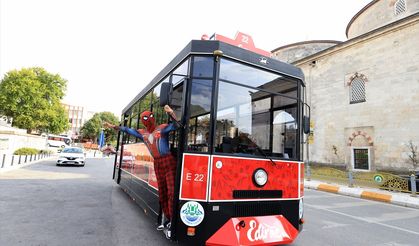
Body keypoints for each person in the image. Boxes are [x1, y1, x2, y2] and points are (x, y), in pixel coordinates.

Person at [104, 105, 178, 237]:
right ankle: (168, 218)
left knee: (171, 191)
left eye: (149, 116)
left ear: (153, 117)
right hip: (158, 163)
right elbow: (127, 130)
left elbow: (176, 125)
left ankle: (173, 220)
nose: (148, 119)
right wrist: (113, 126)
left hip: (168, 161)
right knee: (163, 192)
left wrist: (171, 113)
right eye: (145, 118)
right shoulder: (142, 133)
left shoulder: (162, 128)